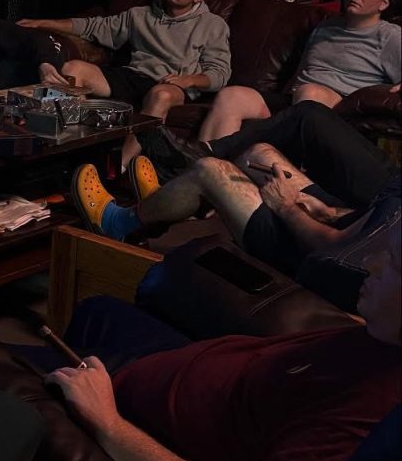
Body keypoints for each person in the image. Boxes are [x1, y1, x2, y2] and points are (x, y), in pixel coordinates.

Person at [33, 229, 401, 461]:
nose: (371, 262)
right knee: (97, 310)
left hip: (126, 411)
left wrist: (109, 423)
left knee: (13, 378)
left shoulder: (368, 417)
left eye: (393, 264)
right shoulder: (384, 337)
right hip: (175, 367)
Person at [70, 101, 400, 312]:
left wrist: (287, 206)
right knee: (259, 153)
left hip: (316, 262)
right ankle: (168, 202)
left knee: (210, 170)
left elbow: (340, 252)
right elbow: (376, 224)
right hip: (340, 227)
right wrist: (327, 212)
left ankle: (118, 223)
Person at [20, 0, 231, 164]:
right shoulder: (140, 14)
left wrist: (189, 80)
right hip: (133, 74)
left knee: (161, 95)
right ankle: (74, 151)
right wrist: (42, 23)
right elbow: (92, 26)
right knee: (72, 69)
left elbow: (220, 73)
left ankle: (118, 167)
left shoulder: (213, 25)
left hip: (171, 83)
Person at [199, 0, 401, 143]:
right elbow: (303, 69)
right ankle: (205, 164)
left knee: (310, 93)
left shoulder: (390, 35)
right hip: (295, 98)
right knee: (231, 96)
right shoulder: (325, 27)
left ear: (384, 3)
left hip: (338, 105)